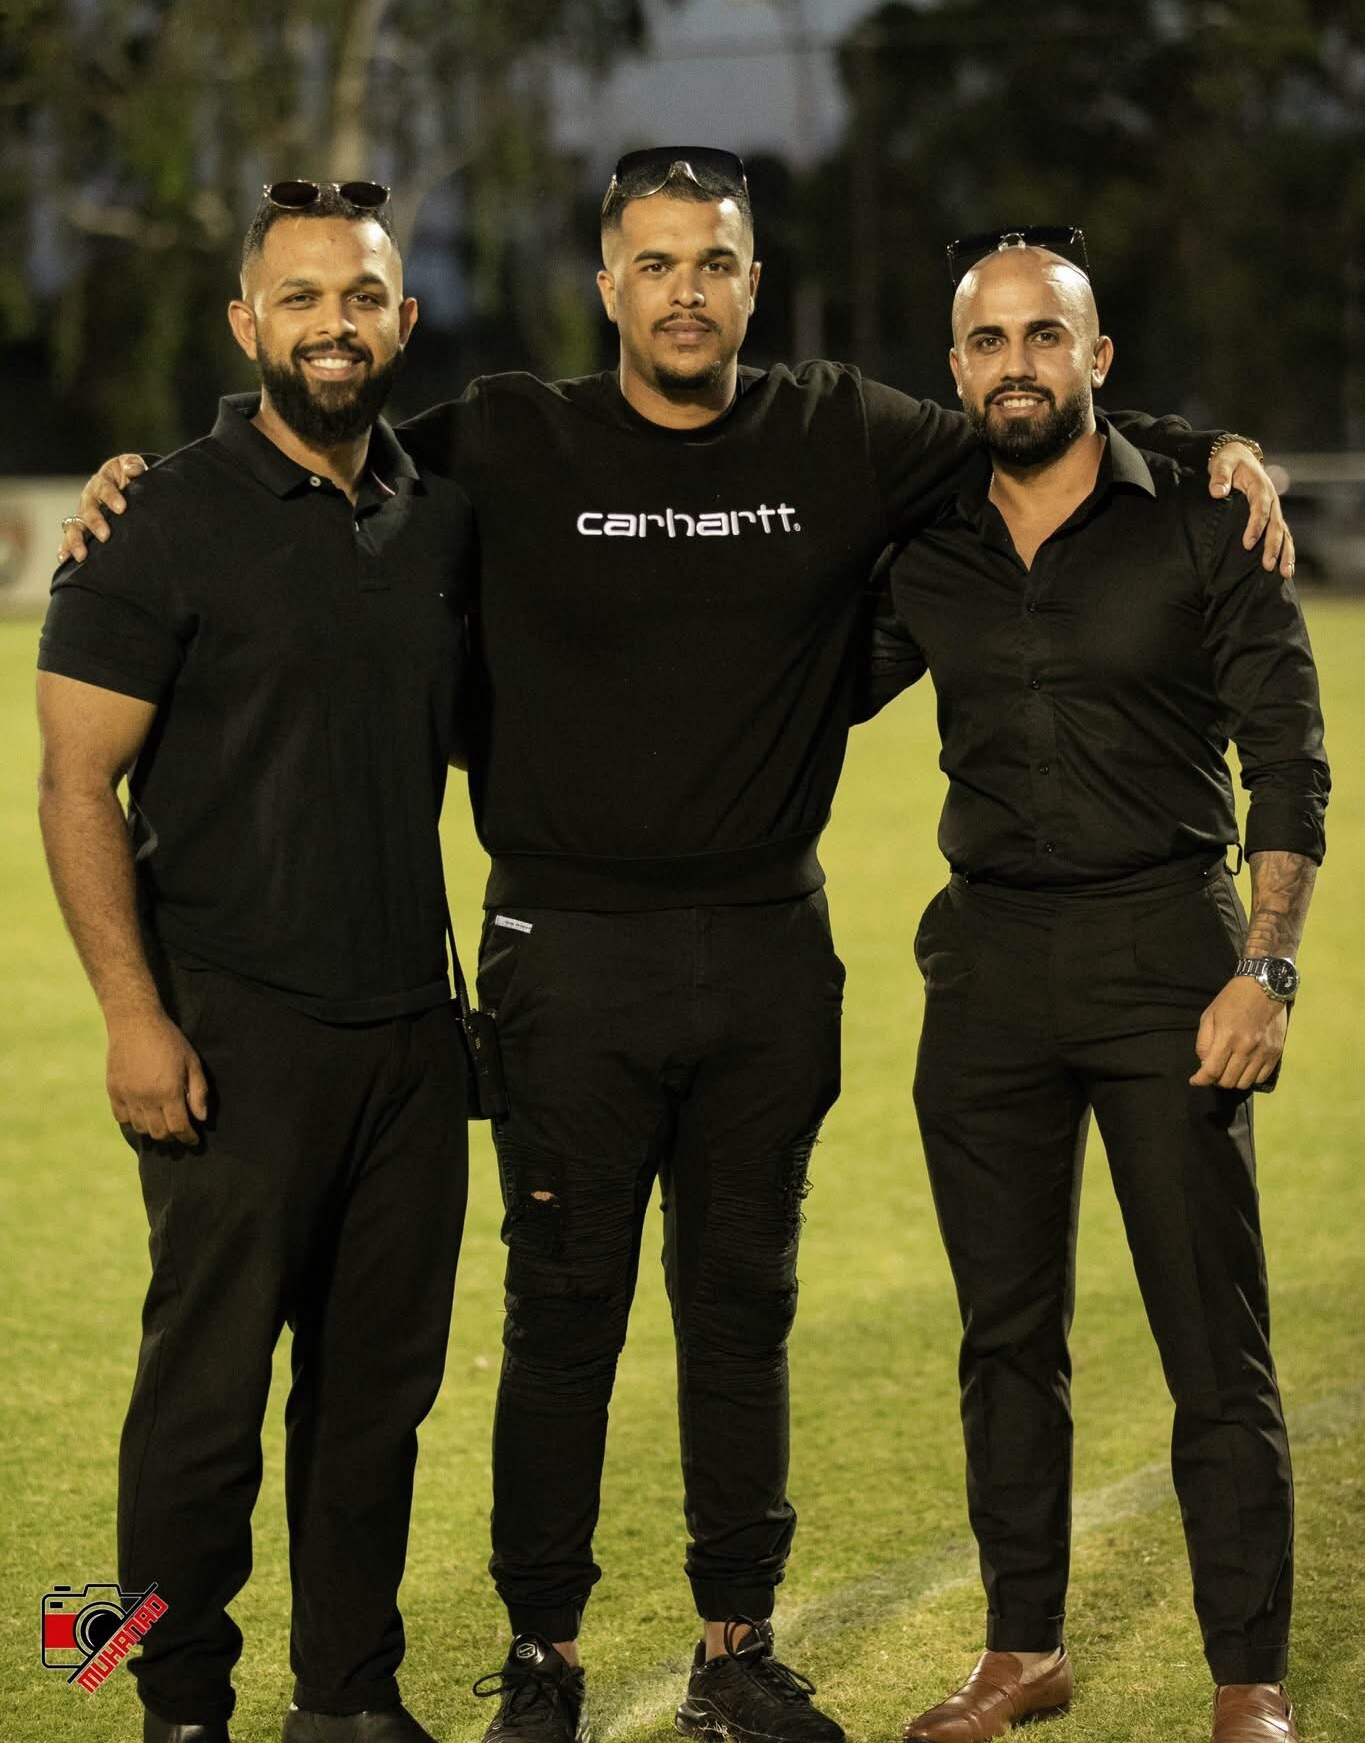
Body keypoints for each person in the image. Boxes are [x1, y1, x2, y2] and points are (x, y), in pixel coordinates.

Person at [61, 158, 1291, 1743]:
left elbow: (1036, 413)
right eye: (652, 263)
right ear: (607, 288)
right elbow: (311, 453)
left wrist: (1211, 447)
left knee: (667, 1329)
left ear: (750, 285)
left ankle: (685, 1658)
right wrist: (147, 470)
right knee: (333, 1368)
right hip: (521, 964)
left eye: (712, 261)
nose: (684, 289)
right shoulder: (501, 437)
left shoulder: (841, 430)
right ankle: (208, 1675)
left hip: (732, 961)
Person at [856, 236, 1328, 1743]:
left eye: (1043, 337)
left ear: (1095, 358)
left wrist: (1263, 967)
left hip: (1166, 960)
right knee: (1005, 1334)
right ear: (955, 372)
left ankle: (1244, 1675)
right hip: (986, 964)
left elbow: (1289, 762)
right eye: (987, 341)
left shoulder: (1200, 518)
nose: (1015, 363)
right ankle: (1021, 1650)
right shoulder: (918, 538)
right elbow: (778, 655)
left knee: (1212, 1336)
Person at [38, 182, 474, 1743]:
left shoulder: (439, 506)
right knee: (198, 1410)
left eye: (359, 297)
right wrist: (132, 1019)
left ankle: (348, 1705)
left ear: (401, 320)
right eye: (298, 299)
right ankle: (160, 1699)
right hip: (227, 1031)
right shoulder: (157, 516)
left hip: (415, 1044)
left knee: (374, 1411)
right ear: (247, 324)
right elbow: (72, 780)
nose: (332, 326)